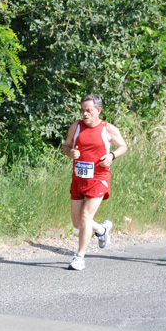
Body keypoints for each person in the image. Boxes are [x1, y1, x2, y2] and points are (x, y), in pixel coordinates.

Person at [62, 94, 128, 271]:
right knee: (78, 223)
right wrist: (70, 153)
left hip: (99, 178)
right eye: (82, 110)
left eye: (89, 110)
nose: (85, 114)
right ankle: (102, 230)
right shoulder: (76, 127)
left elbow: (123, 146)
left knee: (85, 217)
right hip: (79, 178)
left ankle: (79, 257)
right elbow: (66, 146)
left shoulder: (108, 129)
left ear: (98, 110)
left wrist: (112, 156)